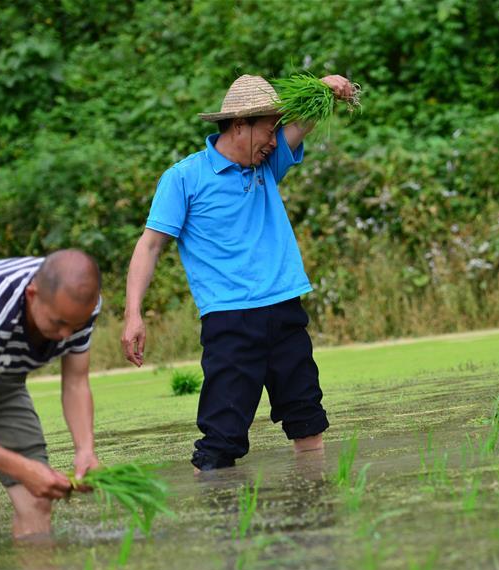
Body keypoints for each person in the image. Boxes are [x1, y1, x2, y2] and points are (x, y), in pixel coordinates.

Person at [121, 74, 354, 472]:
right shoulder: (184, 178)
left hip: (284, 310)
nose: (274, 140)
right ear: (239, 124)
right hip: (229, 321)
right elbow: (150, 245)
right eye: (268, 130)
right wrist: (133, 314)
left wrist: (327, 88)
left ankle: (315, 515)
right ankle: (222, 524)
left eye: (278, 131)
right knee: (221, 438)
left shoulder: (267, 164)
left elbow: (305, 121)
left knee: (307, 420)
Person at [0, 250, 101, 538]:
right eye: (58, 323)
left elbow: (76, 382)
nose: (66, 336)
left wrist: (85, 449)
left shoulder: (81, 308)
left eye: (76, 326)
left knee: (37, 500)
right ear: (32, 295)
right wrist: (23, 468)